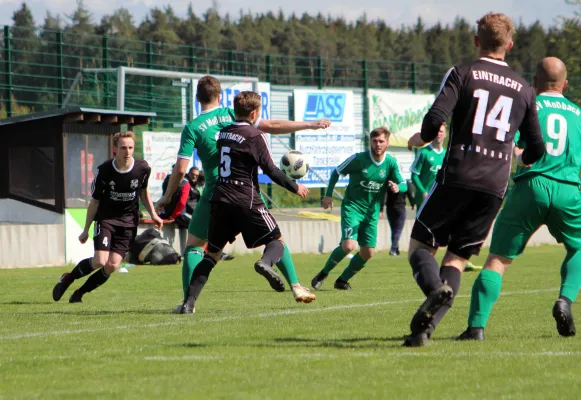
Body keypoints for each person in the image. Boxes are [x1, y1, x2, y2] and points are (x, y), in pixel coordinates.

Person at [402, 12, 545, 347]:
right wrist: (519, 159)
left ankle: (434, 289)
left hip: (458, 174)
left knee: (420, 246)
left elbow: (436, 116)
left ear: (476, 40)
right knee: (457, 258)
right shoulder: (524, 89)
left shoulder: (463, 73)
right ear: (510, 44)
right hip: (494, 186)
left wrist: (420, 139)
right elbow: (536, 147)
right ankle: (423, 331)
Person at [156, 76, 330, 312]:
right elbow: (274, 128)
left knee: (197, 248)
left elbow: (180, 169)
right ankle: (296, 285)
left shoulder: (193, 128)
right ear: (220, 97)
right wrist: (310, 125)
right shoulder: (233, 114)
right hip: (245, 192)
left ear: (197, 98)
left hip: (215, 195)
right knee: (274, 238)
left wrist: (167, 196)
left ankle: (189, 302)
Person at [457, 57, 581, 340]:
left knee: (497, 260)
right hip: (568, 189)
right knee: (579, 247)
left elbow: (508, 145)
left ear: (534, 82)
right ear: (565, 84)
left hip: (530, 186)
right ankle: (564, 300)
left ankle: (476, 327)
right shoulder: (578, 114)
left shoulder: (526, 103)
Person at [52, 131, 163, 303]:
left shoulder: (143, 169)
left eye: (131, 148)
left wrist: (154, 214)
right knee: (100, 260)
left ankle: (79, 293)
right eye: (123, 148)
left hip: (128, 222)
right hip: (107, 219)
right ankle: (68, 278)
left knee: (112, 265)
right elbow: (94, 202)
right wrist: (85, 230)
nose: (127, 152)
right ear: (115, 149)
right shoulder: (104, 171)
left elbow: (143, 192)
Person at [311, 127, 407, 290]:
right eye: (374, 141)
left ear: (387, 143)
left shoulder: (391, 163)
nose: (377, 144)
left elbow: (404, 184)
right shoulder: (358, 159)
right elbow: (336, 172)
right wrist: (328, 195)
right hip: (352, 208)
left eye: (381, 141)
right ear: (370, 141)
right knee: (349, 245)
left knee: (368, 252)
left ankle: (342, 280)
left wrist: (398, 188)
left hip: (372, 213)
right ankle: (324, 273)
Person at [410, 123, 446, 210]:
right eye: (436, 131)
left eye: (441, 131)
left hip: (439, 197)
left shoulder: (446, 153)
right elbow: (414, 175)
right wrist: (423, 192)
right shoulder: (424, 152)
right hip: (424, 198)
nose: (438, 134)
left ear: (445, 134)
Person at [160, 164, 191, 229]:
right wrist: (174, 216)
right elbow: (181, 202)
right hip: (178, 216)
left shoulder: (167, 180)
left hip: (167, 213)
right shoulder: (185, 184)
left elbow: (164, 195)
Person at [380, 185, 407, 256]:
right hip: (401, 208)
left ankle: (396, 250)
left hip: (390, 208)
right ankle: (393, 249)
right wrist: (413, 202)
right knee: (398, 230)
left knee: (394, 230)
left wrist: (381, 209)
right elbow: (409, 192)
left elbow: (384, 196)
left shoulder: (389, 185)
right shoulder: (403, 183)